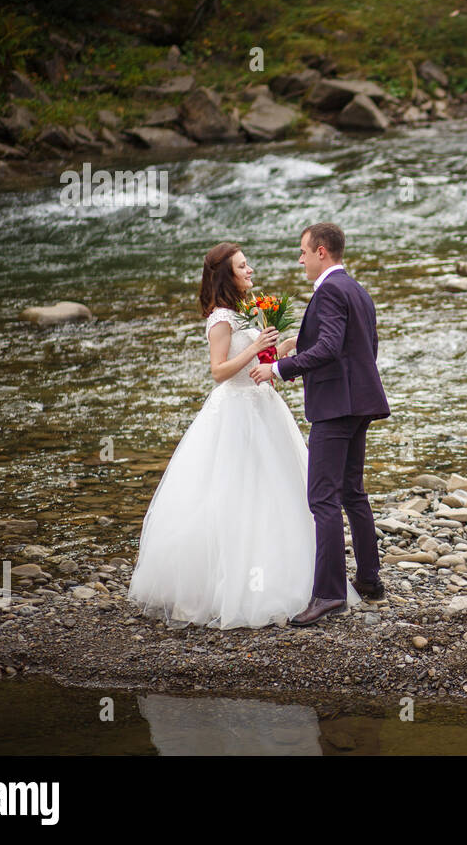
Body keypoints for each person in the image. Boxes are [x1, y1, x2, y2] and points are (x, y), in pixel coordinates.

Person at [128, 241, 356, 629]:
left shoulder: (245, 313)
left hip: (263, 406)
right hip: (234, 411)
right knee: (233, 493)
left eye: (248, 265)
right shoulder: (220, 319)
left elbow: (259, 362)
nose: (250, 271)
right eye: (242, 266)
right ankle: (225, 588)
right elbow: (219, 371)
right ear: (226, 276)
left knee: (277, 489)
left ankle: (298, 579)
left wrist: (282, 347)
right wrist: (254, 347)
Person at [249, 222, 390, 626]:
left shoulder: (328, 291)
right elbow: (364, 346)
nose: (301, 259)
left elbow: (330, 348)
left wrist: (279, 368)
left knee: (322, 499)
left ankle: (329, 595)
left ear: (322, 252)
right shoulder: (357, 290)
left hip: (335, 408)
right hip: (360, 402)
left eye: (304, 252)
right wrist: (301, 346)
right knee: (352, 492)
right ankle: (369, 579)